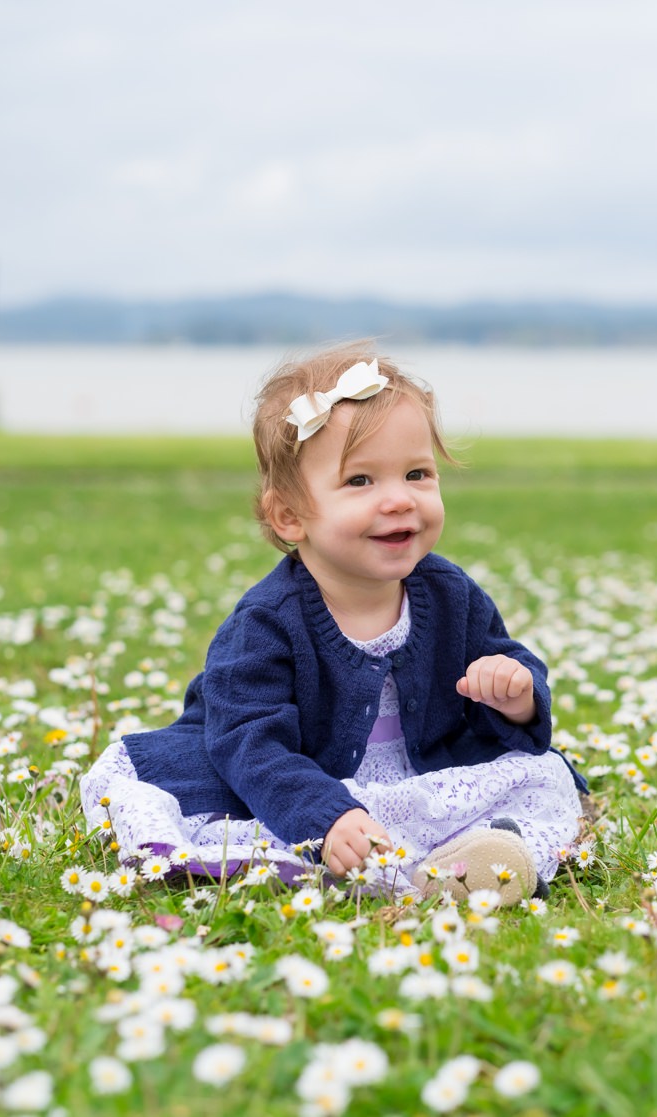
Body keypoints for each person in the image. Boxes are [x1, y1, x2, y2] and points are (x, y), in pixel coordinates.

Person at [80, 345, 586, 904]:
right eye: (360, 481)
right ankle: (383, 866)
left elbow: (502, 661)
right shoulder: (266, 622)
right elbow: (250, 743)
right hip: (298, 785)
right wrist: (328, 814)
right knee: (227, 816)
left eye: (417, 473)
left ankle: (483, 860)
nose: (398, 500)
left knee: (545, 776)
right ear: (290, 516)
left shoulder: (449, 593)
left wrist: (513, 692)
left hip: (418, 781)